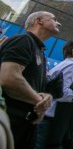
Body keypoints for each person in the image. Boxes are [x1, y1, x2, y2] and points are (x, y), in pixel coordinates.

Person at [0, 11, 60, 149]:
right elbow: (9, 78)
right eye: (54, 19)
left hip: (25, 124)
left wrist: (45, 96)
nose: (59, 23)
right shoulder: (24, 40)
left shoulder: (40, 50)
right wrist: (40, 102)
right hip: (11, 120)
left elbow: (31, 84)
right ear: (39, 21)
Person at [35, 38, 73, 149]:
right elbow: (62, 91)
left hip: (47, 113)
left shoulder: (66, 64)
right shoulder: (72, 66)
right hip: (50, 116)